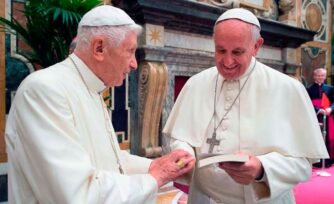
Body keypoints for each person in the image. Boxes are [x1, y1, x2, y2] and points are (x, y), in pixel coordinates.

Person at [5, 5, 195, 204]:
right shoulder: (44, 90)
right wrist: (156, 177)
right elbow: (76, 193)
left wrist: (155, 165)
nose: (134, 64)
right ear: (99, 48)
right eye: (130, 51)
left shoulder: (91, 89)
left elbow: (110, 161)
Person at [163, 8, 328, 204]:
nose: (227, 61)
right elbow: (181, 137)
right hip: (204, 198)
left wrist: (261, 169)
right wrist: (185, 152)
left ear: (257, 46)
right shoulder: (196, 84)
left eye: (237, 52)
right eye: (220, 50)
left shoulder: (287, 88)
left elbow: (303, 165)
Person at [307, 68, 334, 167]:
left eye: (322, 76)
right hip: (315, 116)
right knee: (316, 137)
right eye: (318, 75)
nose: (320, 78)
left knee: (329, 138)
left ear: (325, 77)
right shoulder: (308, 89)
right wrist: (318, 110)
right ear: (314, 76)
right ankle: (316, 161)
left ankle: (328, 161)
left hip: (327, 115)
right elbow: (307, 103)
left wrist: (330, 109)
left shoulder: (330, 88)